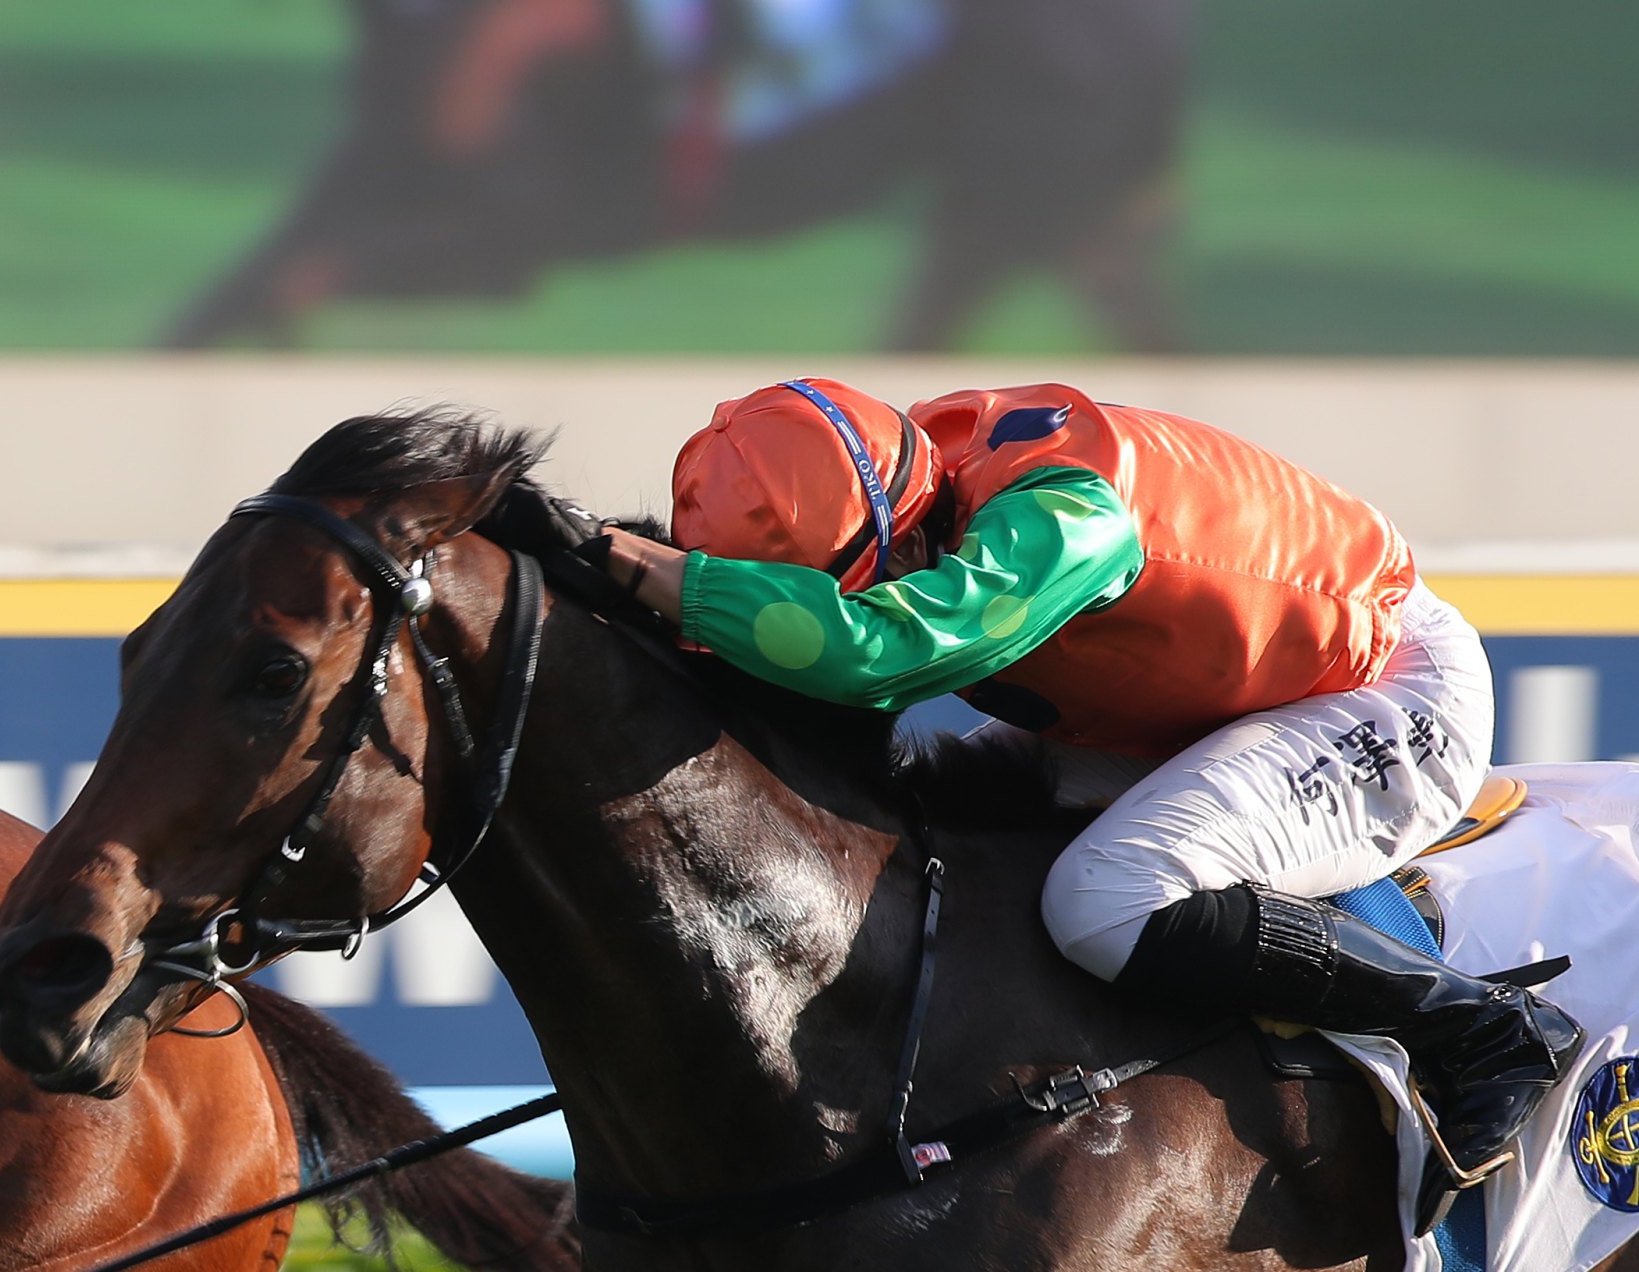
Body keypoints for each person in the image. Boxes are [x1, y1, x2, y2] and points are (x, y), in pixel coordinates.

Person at [598, 377, 1576, 1188]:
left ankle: (1483, 1028)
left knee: (1102, 899)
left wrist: (642, 569)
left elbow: (879, 654)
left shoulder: (1068, 515)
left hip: (1379, 690)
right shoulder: (899, 477)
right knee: (919, 821)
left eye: (847, 583)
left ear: (891, 536)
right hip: (1208, 705)